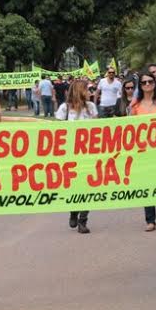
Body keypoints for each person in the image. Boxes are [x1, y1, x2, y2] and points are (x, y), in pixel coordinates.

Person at [55, 80, 98, 234]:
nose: (90, 92)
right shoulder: (64, 109)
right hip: (70, 156)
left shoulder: (91, 108)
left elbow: (97, 130)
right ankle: (73, 211)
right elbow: (56, 132)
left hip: (88, 155)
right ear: (80, 90)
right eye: (88, 89)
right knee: (73, 187)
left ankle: (83, 221)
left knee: (87, 187)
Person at [131, 71, 156, 232]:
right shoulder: (135, 105)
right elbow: (129, 127)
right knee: (146, 184)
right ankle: (150, 219)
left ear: (155, 84)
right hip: (142, 150)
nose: (147, 85)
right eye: (144, 83)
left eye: (150, 82)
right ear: (140, 86)